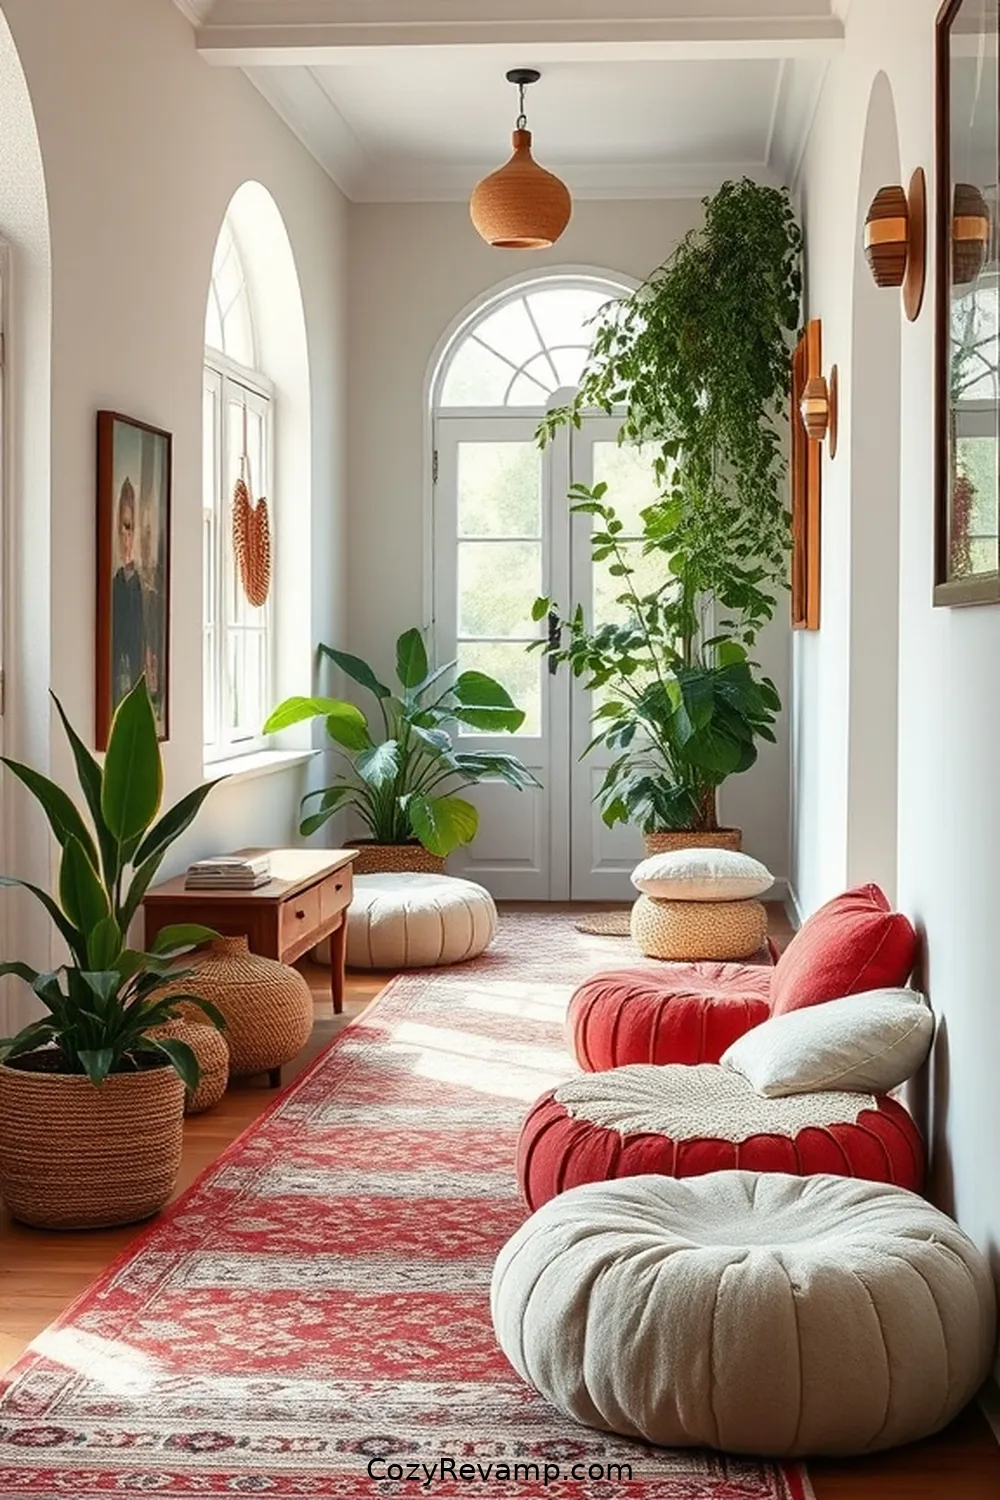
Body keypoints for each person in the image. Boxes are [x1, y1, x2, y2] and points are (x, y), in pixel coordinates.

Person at [111, 477, 147, 707]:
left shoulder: (142, 585)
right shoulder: (115, 582)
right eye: (122, 528)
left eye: (130, 528)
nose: (126, 537)